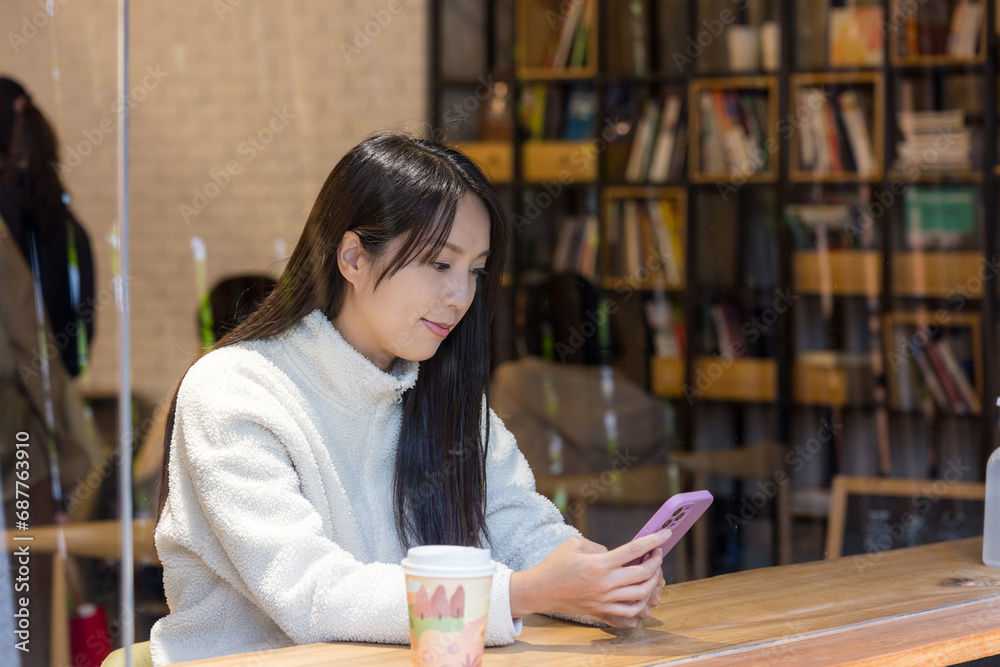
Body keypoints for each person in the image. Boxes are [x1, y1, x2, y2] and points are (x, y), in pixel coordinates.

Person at [151, 134, 668, 666]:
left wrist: (602, 584)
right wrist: (528, 592)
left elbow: (521, 529)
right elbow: (310, 593)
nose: (460, 295)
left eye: (476, 270)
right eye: (441, 265)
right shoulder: (234, 388)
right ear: (353, 257)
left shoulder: (441, 390)